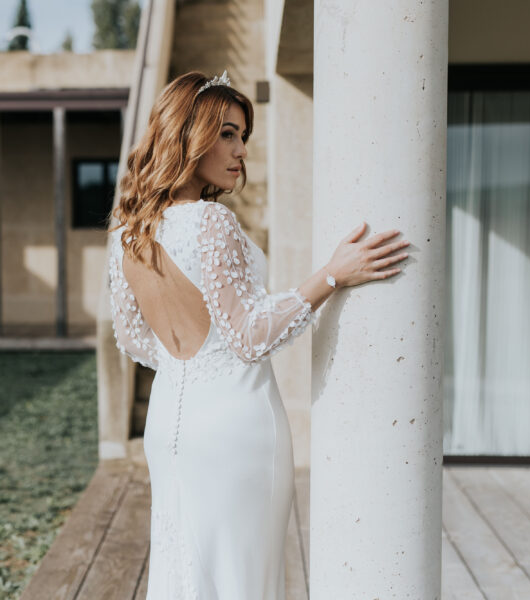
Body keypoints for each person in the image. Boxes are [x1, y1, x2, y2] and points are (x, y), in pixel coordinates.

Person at [108, 70, 410, 600]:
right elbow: (249, 338)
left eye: (242, 135)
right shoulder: (209, 222)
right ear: (187, 134)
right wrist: (332, 273)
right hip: (235, 428)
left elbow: (135, 340)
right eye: (227, 132)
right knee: (243, 582)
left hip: (170, 425)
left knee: (185, 578)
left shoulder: (128, 232)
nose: (240, 149)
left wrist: (192, 358)